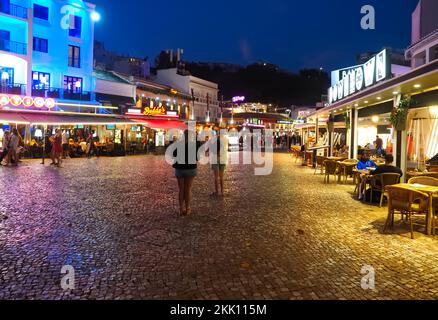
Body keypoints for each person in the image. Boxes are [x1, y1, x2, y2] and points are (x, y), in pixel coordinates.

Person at [172, 130, 200, 217]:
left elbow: (173, 154)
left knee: (181, 190)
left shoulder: (178, 143)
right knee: (187, 189)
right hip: (190, 168)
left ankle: (180, 209)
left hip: (180, 168)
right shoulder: (194, 144)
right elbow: (197, 157)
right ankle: (187, 209)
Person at [210, 130, 229, 197]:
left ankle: (216, 191)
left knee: (216, 177)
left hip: (216, 159)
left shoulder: (214, 140)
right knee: (221, 177)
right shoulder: (226, 139)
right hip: (223, 159)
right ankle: (222, 191)